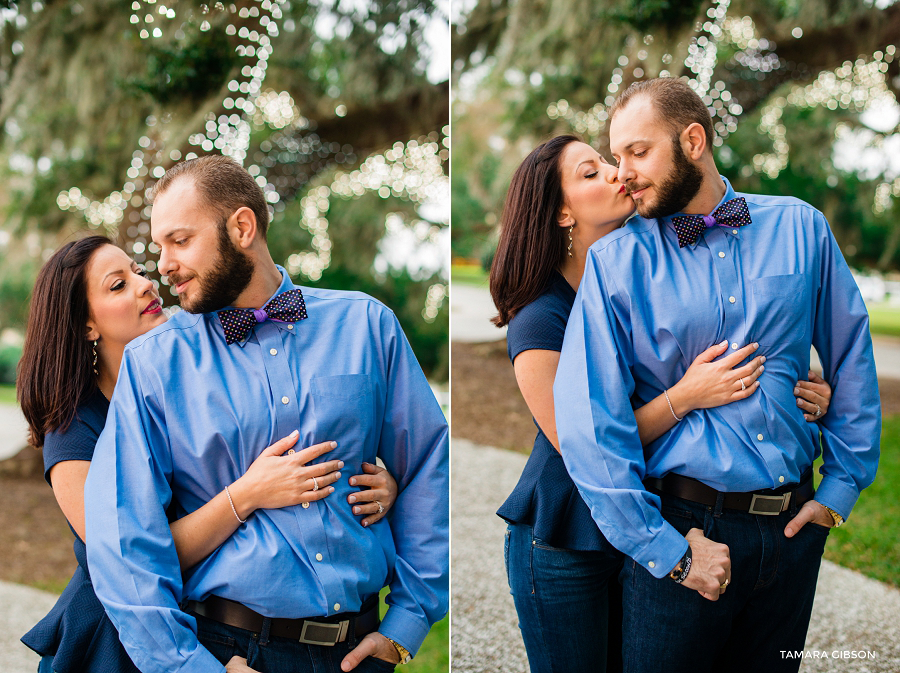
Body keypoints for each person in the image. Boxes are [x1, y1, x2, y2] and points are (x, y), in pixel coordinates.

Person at [554, 78, 880, 673]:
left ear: (693, 140)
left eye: (637, 152)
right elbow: (590, 426)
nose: (620, 172)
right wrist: (667, 551)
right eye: (614, 155)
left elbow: (851, 352)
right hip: (684, 529)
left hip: (792, 531)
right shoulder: (616, 263)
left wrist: (839, 489)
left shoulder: (800, 228)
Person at [82, 154, 448, 673]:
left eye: (179, 241)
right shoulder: (155, 364)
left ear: (242, 227)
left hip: (364, 651)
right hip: (233, 653)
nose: (163, 265)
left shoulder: (367, 325)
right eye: (158, 248)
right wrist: (189, 667)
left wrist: (406, 625)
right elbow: (125, 542)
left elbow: (431, 468)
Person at [489, 134, 834, 673]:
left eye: (610, 161)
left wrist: (795, 385)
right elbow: (580, 440)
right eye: (590, 172)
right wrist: (686, 397)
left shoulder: (637, 275)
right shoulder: (539, 319)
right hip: (567, 539)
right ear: (561, 213)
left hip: (647, 517)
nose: (615, 172)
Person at [17, 235, 399, 673]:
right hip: (123, 639)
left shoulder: (186, 375)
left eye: (137, 272)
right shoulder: (74, 432)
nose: (146, 284)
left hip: (213, 627)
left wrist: (377, 482)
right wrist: (247, 495)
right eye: (117, 285)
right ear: (86, 325)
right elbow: (125, 553)